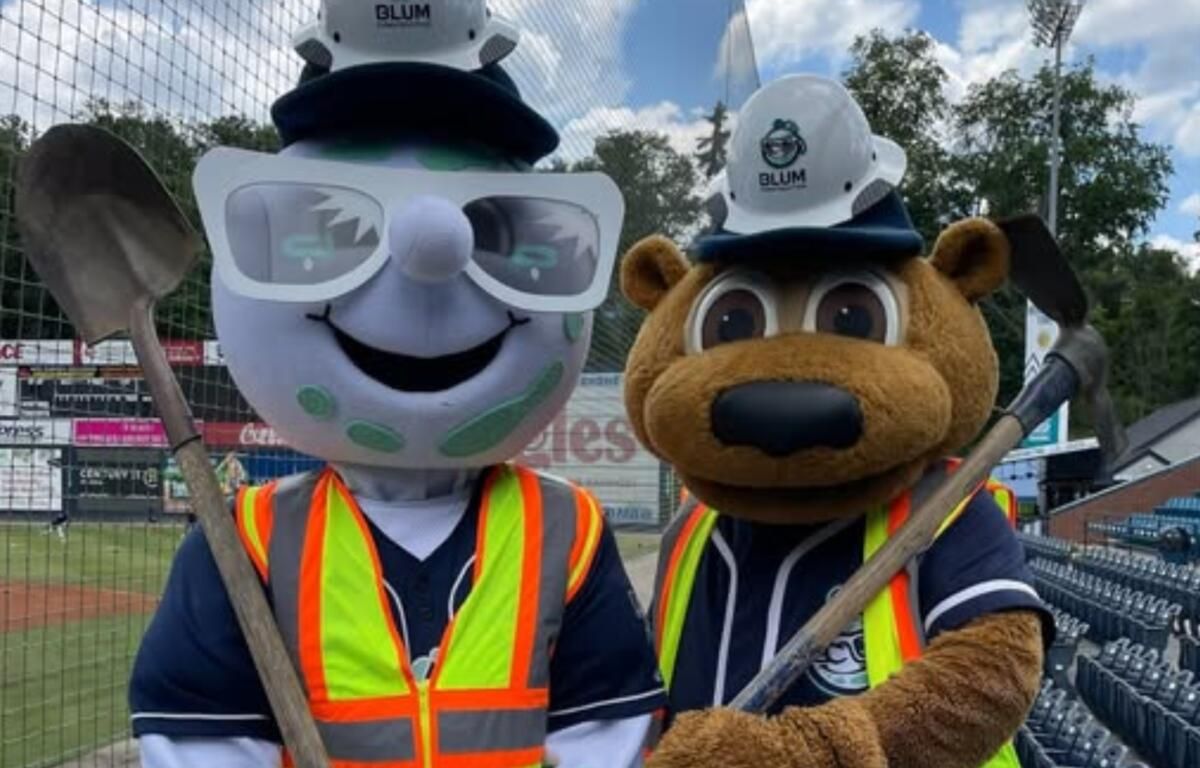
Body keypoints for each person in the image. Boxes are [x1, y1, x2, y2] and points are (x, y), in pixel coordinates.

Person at [128, 2, 664, 766]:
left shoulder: (565, 531)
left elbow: (605, 740)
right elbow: (202, 744)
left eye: (504, 235)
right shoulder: (240, 540)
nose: (434, 247)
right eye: (326, 232)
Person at [620, 75, 1052, 767]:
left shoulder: (946, 515)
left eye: (853, 317)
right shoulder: (691, 532)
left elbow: (991, 677)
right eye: (733, 322)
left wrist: (809, 752)